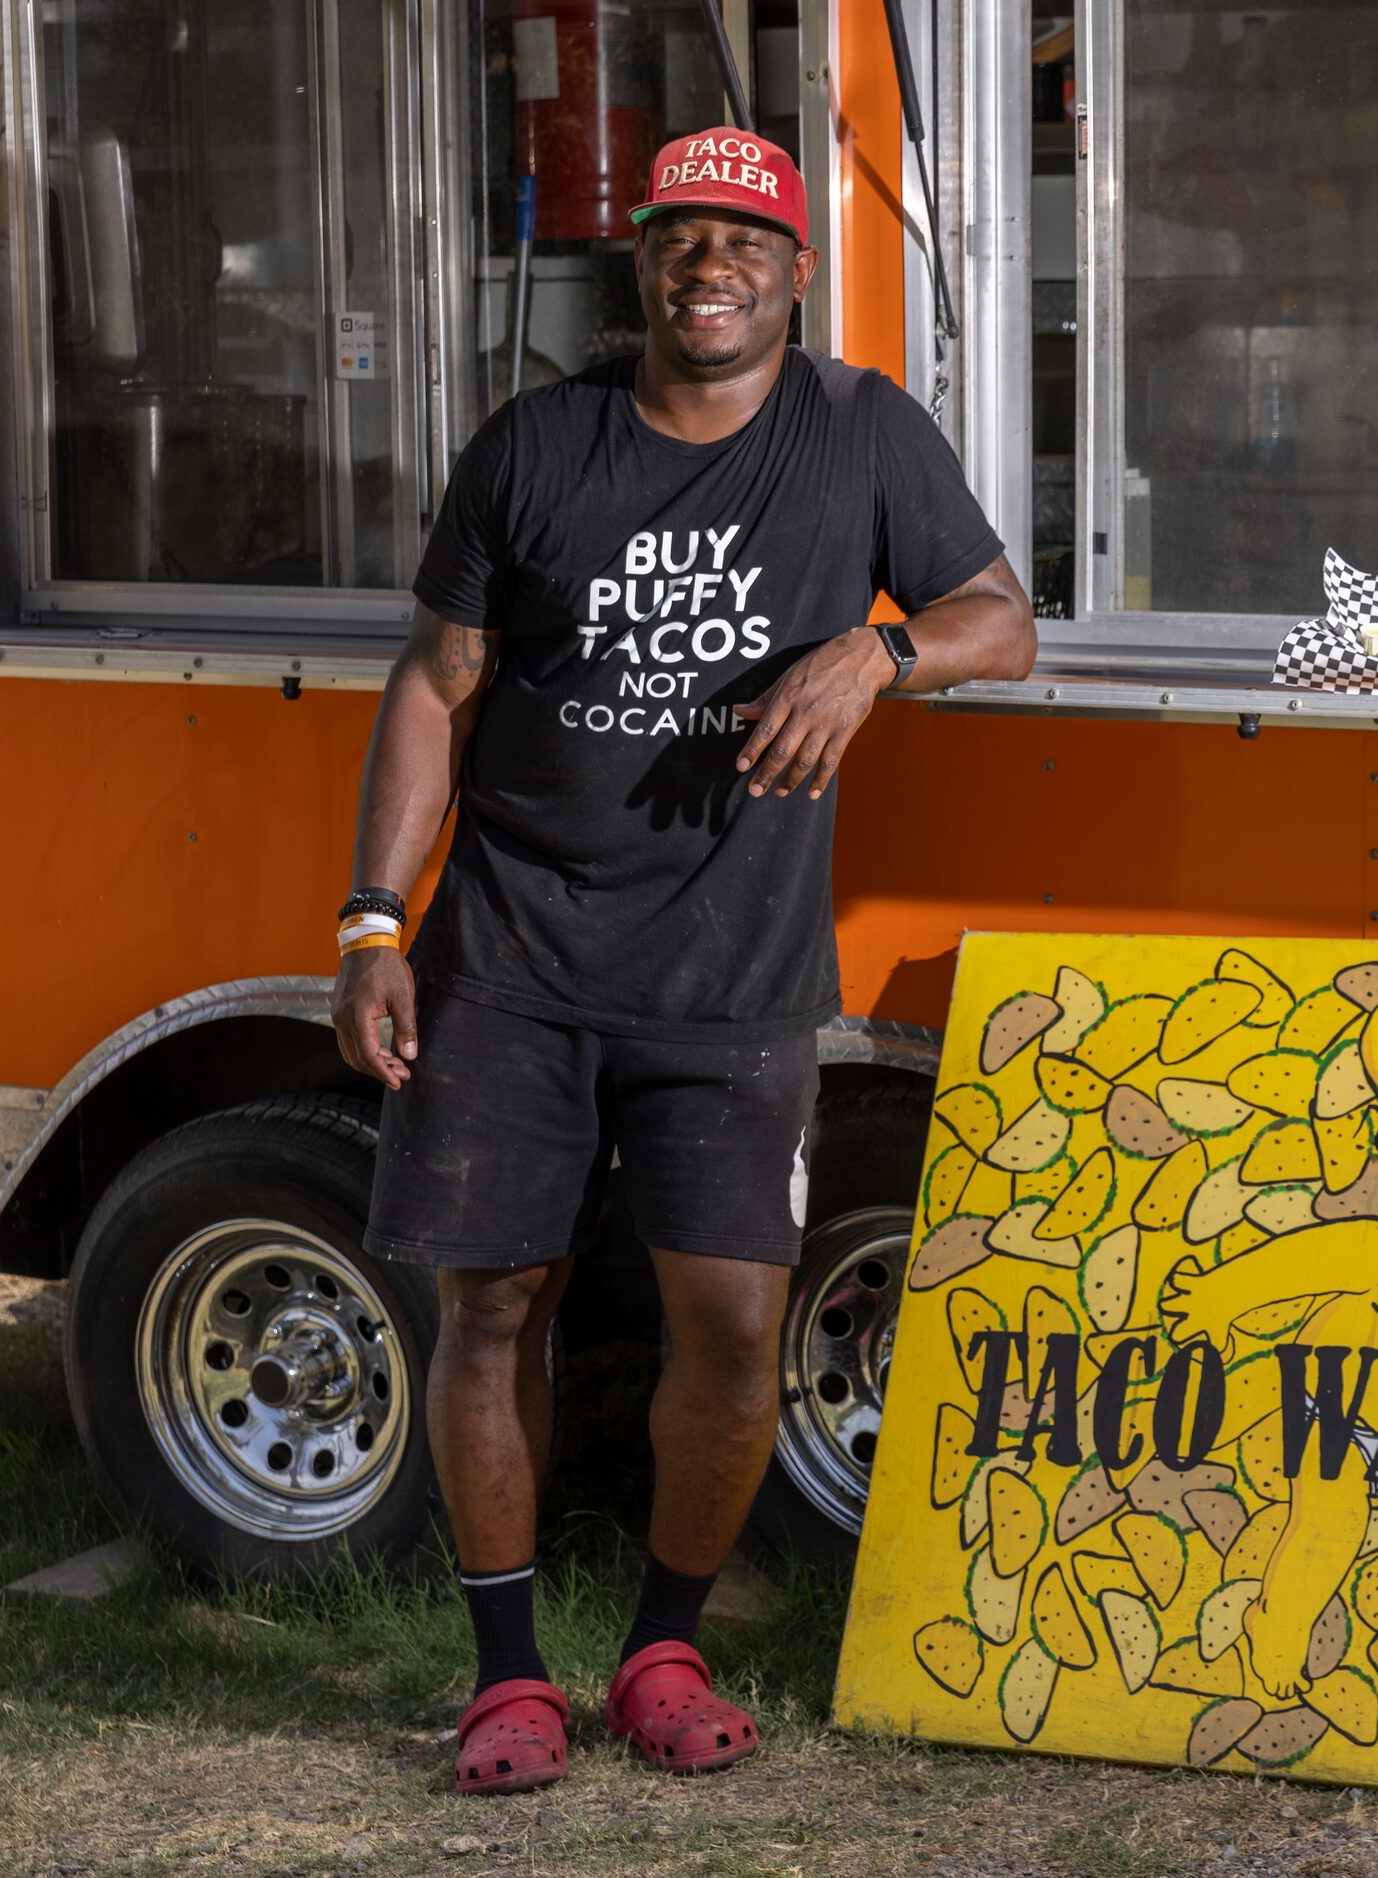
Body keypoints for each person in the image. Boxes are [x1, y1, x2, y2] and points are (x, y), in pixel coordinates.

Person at [328, 126, 1035, 1796]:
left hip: (731, 974)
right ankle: (506, 1677)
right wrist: (373, 920)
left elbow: (999, 618)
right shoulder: (535, 445)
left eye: (743, 237)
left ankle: (661, 1644)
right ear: (637, 263)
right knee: (492, 1300)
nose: (707, 263)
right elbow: (436, 684)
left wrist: (875, 652)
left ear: (795, 270)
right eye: (677, 236)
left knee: (730, 1323)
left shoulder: (859, 432)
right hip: (508, 956)